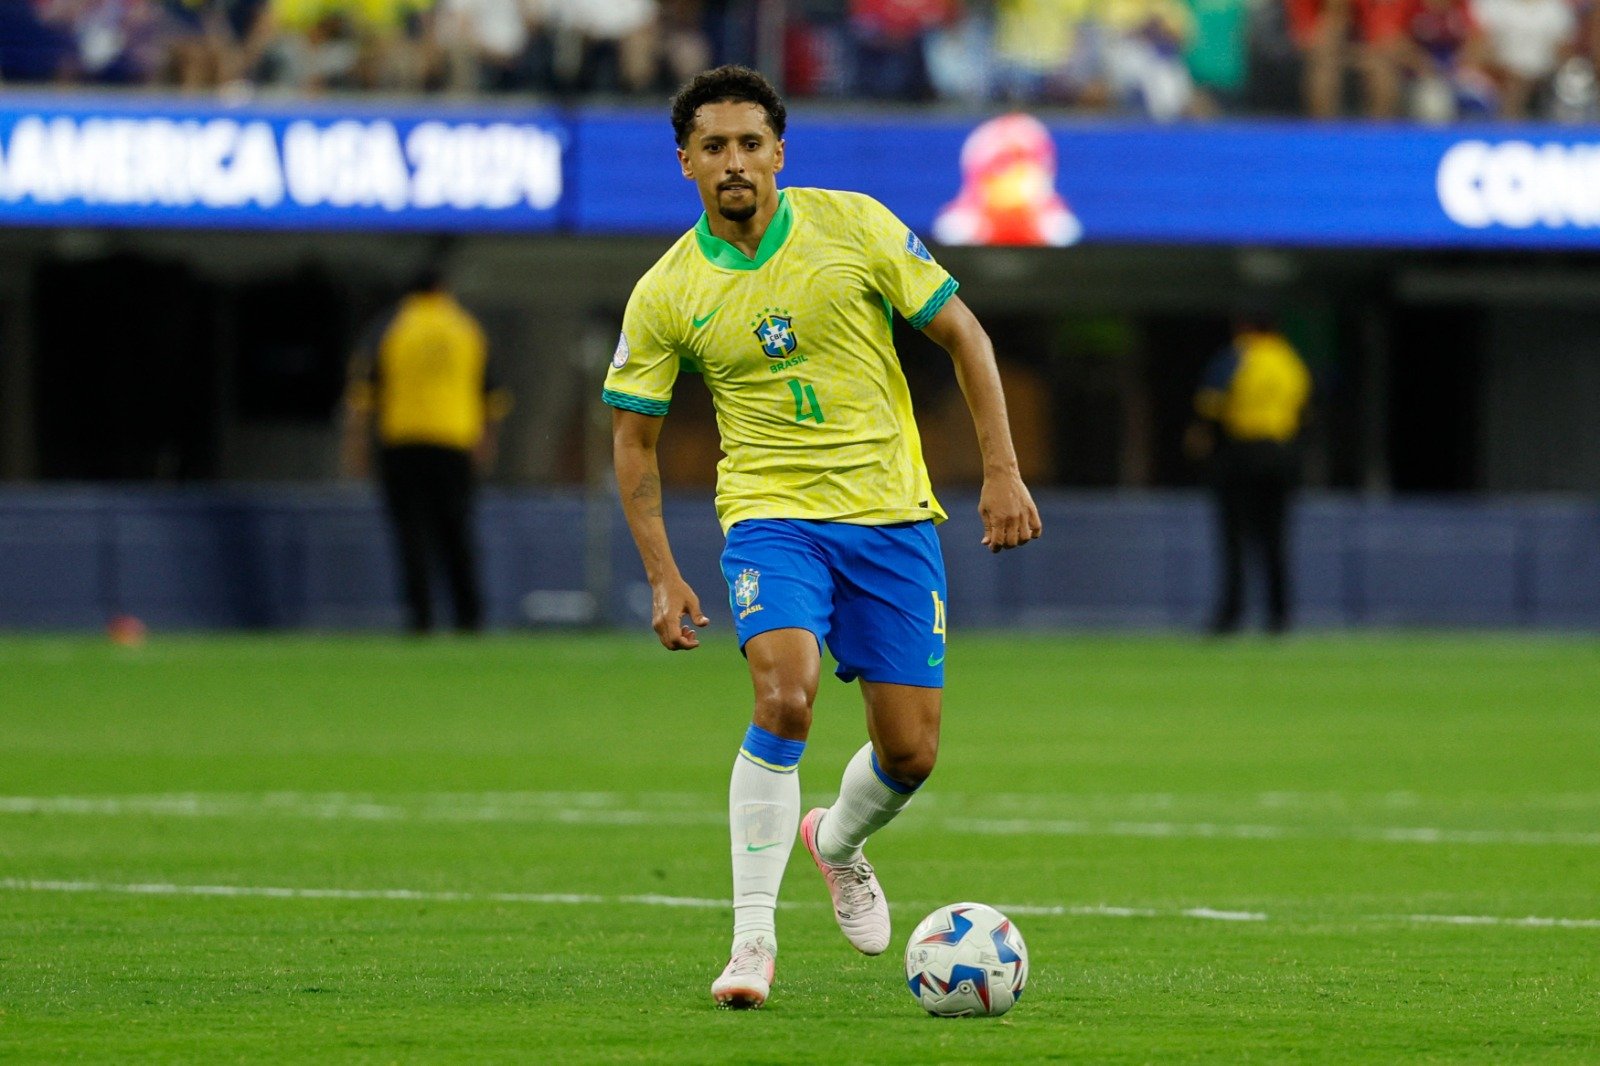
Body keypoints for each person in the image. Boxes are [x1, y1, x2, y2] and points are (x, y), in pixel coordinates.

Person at [603, 65, 1042, 1011]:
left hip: (890, 516)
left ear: (779, 155)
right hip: (771, 517)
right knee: (786, 694)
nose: (735, 163)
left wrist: (1001, 469)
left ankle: (835, 841)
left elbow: (965, 334)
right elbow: (633, 442)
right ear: (686, 163)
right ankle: (751, 942)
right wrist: (663, 575)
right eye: (714, 147)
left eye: (751, 144)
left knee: (913, 752)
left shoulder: (856, 225)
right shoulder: (666, 292)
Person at [342, 266, 510, 634]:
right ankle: (470, 618)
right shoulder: (465, 327)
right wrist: (486, 444)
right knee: (458, 533)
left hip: (401, 444)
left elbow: (363, 397)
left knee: (411, 535)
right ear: (442, 288)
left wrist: (356, 449)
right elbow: (490, 396)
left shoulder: (389, 326)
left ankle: (421, 620)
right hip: (454, 443)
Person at [1185, 307, 1311, 635]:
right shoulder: (1290, 361)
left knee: (1235, 540)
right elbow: (1305, 408)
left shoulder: (1238, 355)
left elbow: (1210, 403)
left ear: (1243, 327)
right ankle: (1280, 618)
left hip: (1241, 454)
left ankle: (1231, 616)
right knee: (1276, 540)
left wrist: (1201, 438)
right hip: (1283, 455)